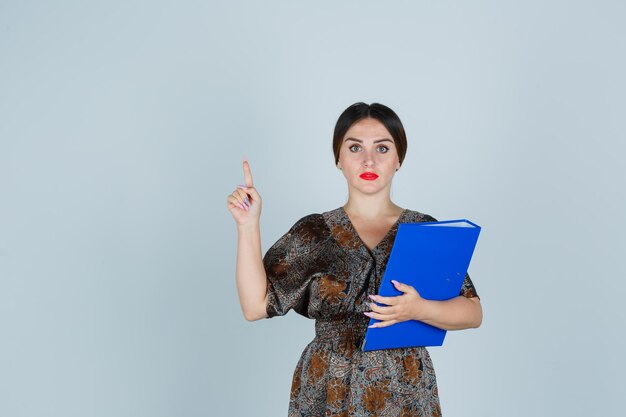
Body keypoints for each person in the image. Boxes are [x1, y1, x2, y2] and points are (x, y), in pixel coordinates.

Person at [227, 102, 483, 416]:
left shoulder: (424, 230)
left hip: (405, 388)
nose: (368, 159)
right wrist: (248, 225)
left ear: (399, 159)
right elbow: (255, 306)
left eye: (383, 148)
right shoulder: (314, 232)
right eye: (355, 147)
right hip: (328, 385)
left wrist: (420, 309)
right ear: (338, 158)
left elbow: (472, 311)